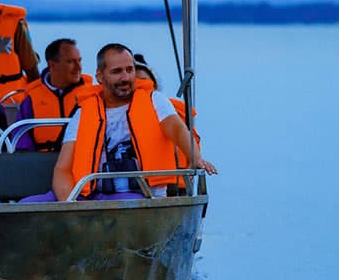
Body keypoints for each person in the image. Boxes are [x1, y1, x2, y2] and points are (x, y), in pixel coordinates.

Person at [20, 43, 217, 203]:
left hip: (138, 195)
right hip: (88, 195)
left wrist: (195, 156)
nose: (126, 77)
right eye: (117, 71)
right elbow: (63, 169)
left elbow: (175, 128)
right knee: (26, 206)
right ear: (100, 76)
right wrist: (69, 204)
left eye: (130, 70)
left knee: (123, 207)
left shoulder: (154, 101)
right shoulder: (84, 113)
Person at [13, 38, 94, 151]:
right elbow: (21, 137)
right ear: (52, 65)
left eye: (79, 60)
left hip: (83, 160)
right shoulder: (32, 98)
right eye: (70, 62)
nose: (78, 67)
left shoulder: (92, 95)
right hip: (40, 163)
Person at [133, 53, 202, 167]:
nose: (139, 85)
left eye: (143, 81)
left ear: (154, 86)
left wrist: (196, 159)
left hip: (166, 178)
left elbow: (177, 129)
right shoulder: (112, 110)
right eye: (135, 81)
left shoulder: (164, 107)